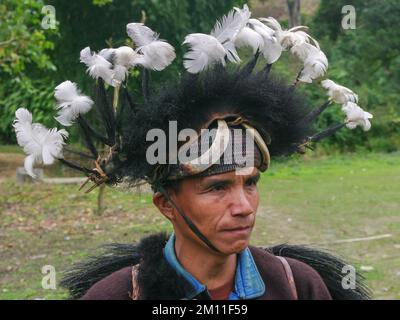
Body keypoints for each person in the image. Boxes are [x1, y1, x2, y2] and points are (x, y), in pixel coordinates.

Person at [13, 4, 372, 300]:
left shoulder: (298, 288)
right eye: (217, 187)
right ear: (166, 204)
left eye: (250, 183)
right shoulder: (114, 296)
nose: (244, 206)